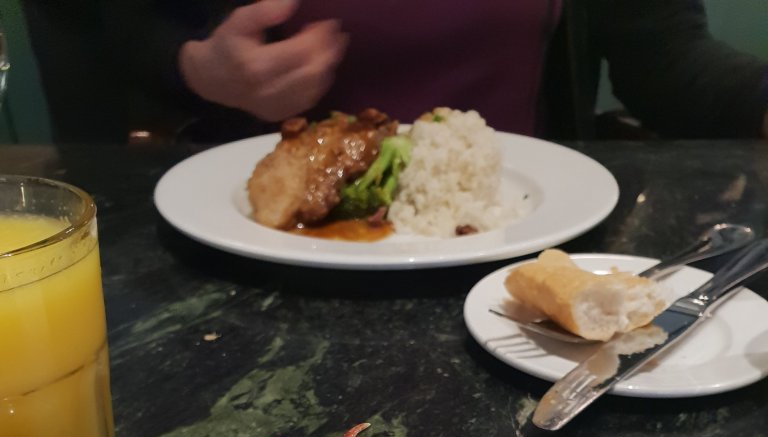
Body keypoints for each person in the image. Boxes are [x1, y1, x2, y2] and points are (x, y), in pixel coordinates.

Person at [23, 0, 768, 142]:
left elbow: (663, 56)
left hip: (512, 266)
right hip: (248, 267)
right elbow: (89, 20)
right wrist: (191, 64)